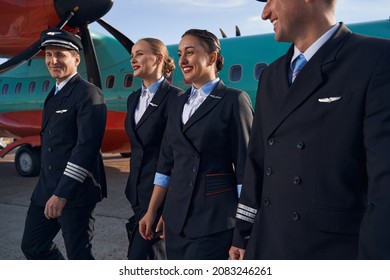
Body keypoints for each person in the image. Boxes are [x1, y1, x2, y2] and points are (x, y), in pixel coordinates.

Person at [230, 0, 390, 260]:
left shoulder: (377, 59)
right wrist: (243, 233)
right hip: (267, 247)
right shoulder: (271, 75)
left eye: (271, 0)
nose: (264, 13)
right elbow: (257, 162)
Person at [139, 29, 253, 260]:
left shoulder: (233, 100)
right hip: (175, 221)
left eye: (190, 53)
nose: (182, 60)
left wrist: (244, 232)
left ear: (212, 58)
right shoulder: (178, 101)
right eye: (180, 54)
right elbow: (165, 164)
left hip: (214, 220)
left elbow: (246, 171)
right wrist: (153, 211)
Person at [21, 28, 107, 260]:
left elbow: (86, 149)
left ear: (76, 59)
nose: (52, 60)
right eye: (49, 55)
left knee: (79, 256)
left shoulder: (88, 93)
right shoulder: (55, 93)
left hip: (73, 192)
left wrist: (62, 194)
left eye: (60, 54)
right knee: (33, 245)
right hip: (45, 190)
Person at [124, 38, 183, 259]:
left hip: (160, 199)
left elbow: (178, 157)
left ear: (158, 58)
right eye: (132, 55)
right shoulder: (133, 99)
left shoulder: (176, 98)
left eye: (139, 54)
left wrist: (168, 209)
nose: (133, 59)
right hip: (137, 195)